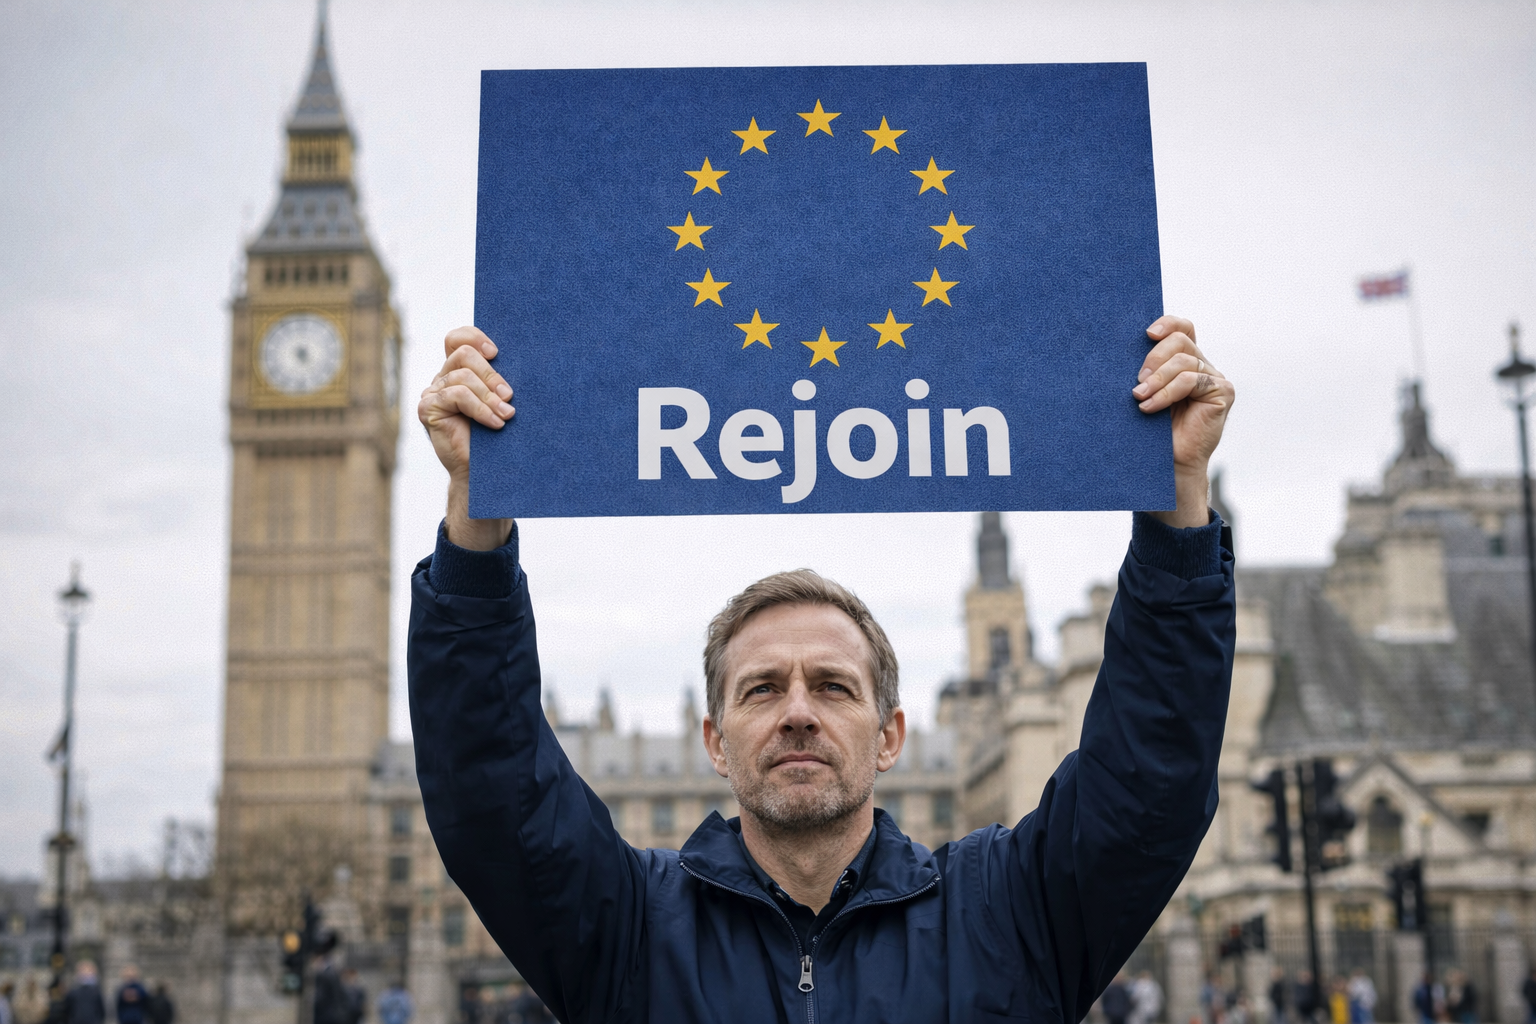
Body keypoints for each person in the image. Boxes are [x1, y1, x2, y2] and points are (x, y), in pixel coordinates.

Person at [409, 316, 1236, 1022]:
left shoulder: (1007, 912)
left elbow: (1149, 779)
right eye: (761, 688)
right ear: (715, 741)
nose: (797, 710)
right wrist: (477, 519)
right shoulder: (629, 929)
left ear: (890, 736)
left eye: (833, 686)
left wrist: (1175, 508)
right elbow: (492, 790)